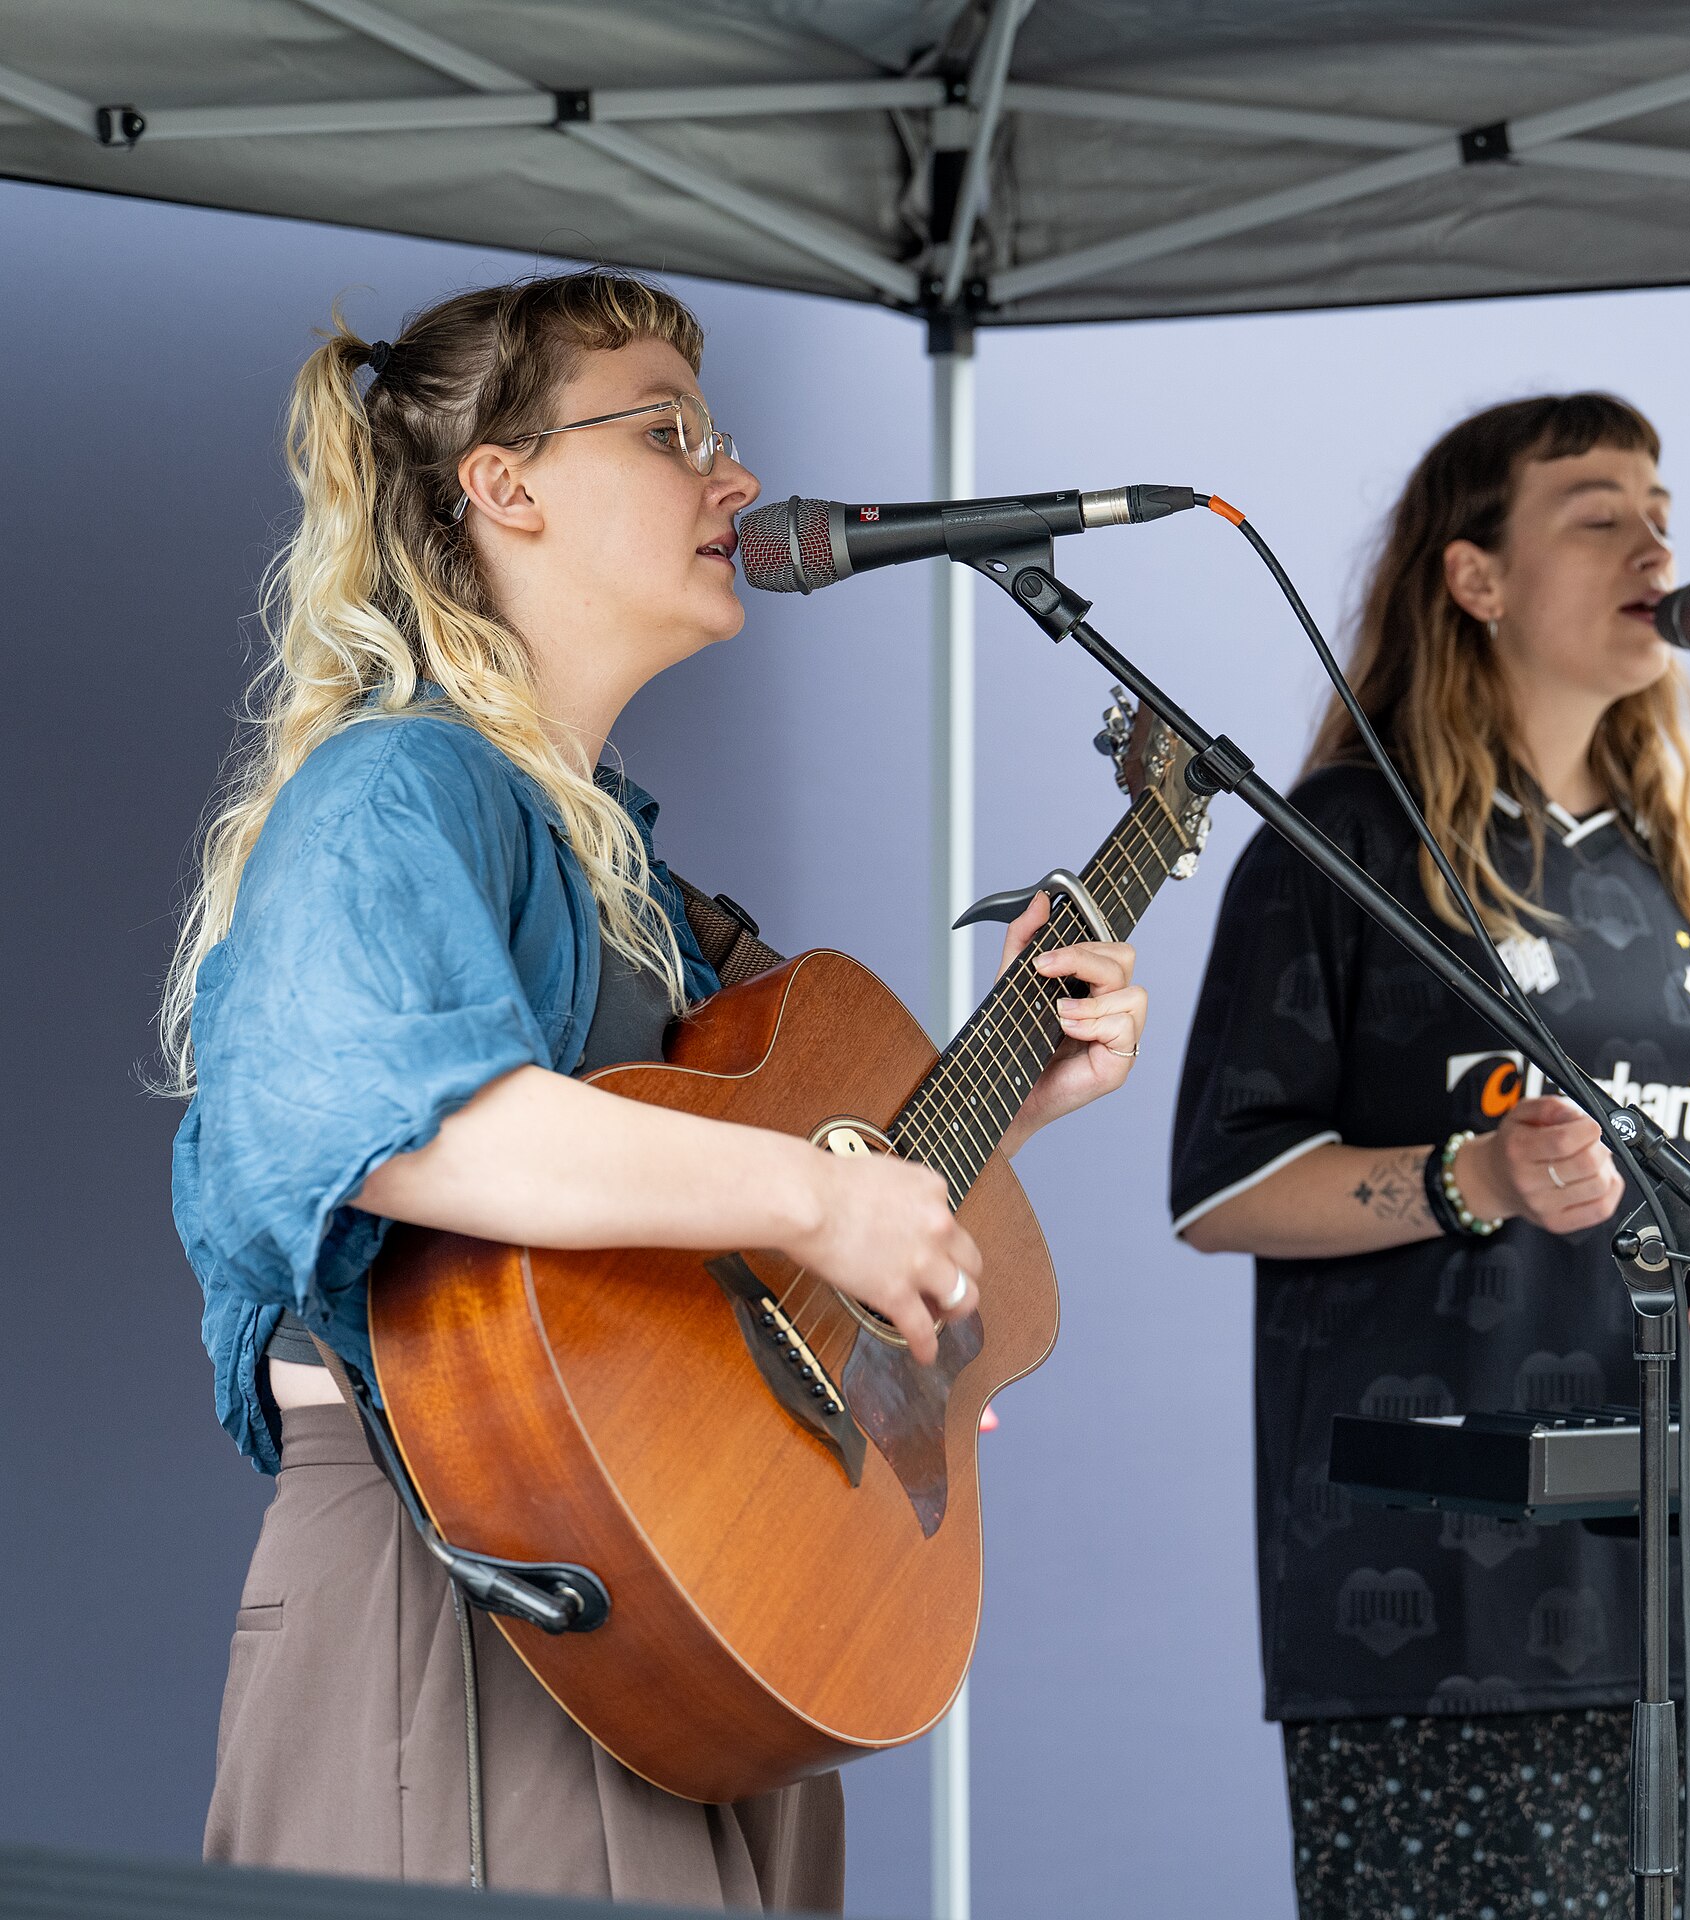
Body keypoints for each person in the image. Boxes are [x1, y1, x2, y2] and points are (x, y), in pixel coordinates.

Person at [162, 269, 1147, 1909]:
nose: (736, 479)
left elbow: (694, 1257)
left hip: (684, 1609)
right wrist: (820, 1194)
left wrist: (1005, 1103)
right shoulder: (396, 783)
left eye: (725, 435)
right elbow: (399, 1123)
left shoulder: (630, 870)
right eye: (670, 432)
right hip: (475, 1586)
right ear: (509, 486)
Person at [1169, 394, 1690, 1919]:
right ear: (1476, 579)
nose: (1653, 542)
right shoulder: (1340, 848)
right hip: (1439, 1615)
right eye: (1597, 510)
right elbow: (1218, 1188)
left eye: (1661, 508)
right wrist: (1475, 1178)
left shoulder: (1678, 865)